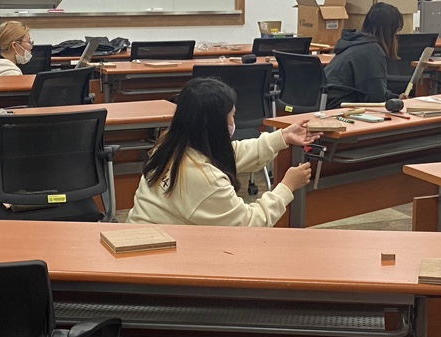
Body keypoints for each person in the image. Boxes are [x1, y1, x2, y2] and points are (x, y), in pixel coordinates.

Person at [128, 77, 317, 227]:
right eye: (232, 116)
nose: (233, 122)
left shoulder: (170, 146)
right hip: (157, 255)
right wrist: (286, 187)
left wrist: (282, 137)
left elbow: (231, 154)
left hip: (145, 240)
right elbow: (248, 224)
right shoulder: (203, 179)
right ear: (216, 125)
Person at [323, 2, 403, 105]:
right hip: (339, 107)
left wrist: (395, 98)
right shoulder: (372, 51)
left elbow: (372, 90)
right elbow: (376, 99)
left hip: (327, 102)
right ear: (389, 32)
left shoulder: (358, 44)